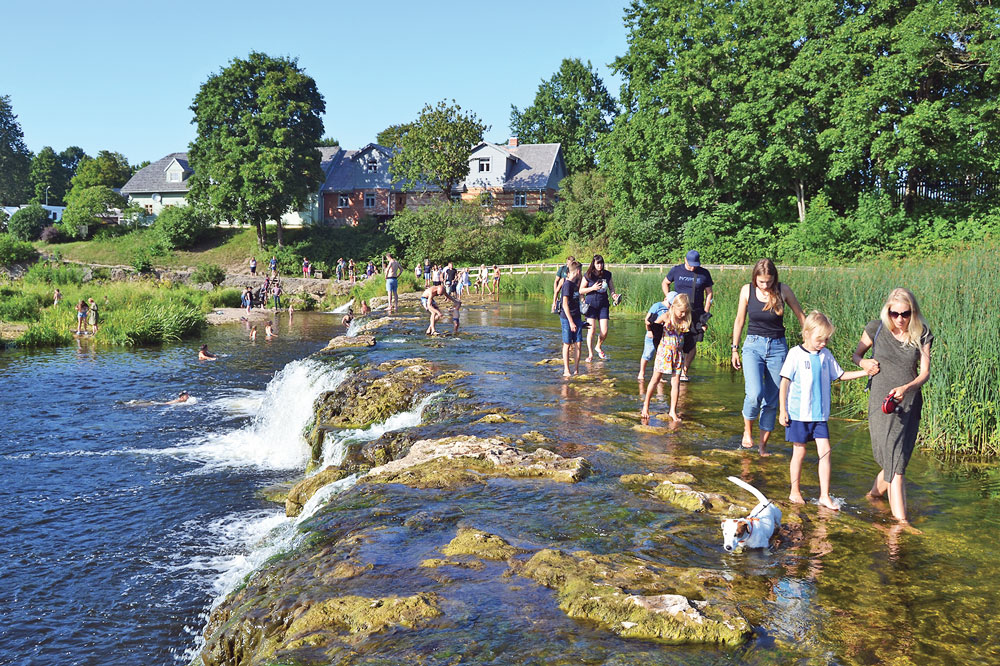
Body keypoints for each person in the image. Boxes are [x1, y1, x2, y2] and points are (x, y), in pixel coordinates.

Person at [851, 288, 933, 528]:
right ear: (887, 312)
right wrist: (864, 363)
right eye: (894, 313)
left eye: (905, 314)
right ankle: (902, 524)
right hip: (882, 402)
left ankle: (873, 495)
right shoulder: (875, 328)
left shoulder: (922, 334)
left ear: (913, 312)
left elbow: (925, 373)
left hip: (908, 402)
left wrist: (907, 388)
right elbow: (856, 355)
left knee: (898, 459)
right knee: (896, 466)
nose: (899, 319)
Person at [779, 311, 873, 509]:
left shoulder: (826, 355)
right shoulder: (795, 354)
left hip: (820, 415)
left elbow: (840, 375)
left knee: (825, 452)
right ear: (806, 334)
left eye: (826, 340)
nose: (823, 343)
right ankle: (794, 491)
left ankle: (824, 495)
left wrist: (865, 372)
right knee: (799, 452)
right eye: (819, 339)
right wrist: (783, 410)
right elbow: (785, 383)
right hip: (799, 414)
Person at [731, 259, 806, 455]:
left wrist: (809, 339)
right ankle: (747, 432)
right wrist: (734, 349)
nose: (765, 286)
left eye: (769, 281)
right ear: (755, 278)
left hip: (778, 348)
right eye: (761, 282)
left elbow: (800, 315)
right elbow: (739, 320)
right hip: (752, 346)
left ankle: (762, 447)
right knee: (754, 394)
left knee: (772, 400)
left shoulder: (783, 290)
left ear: (774, 278)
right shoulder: (747, 290)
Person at [641, 293, 692, 422]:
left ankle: (672, 411)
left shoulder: (685, 321)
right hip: (664, 352)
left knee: (676, 382)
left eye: (685, 312)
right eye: (681, 311)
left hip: (677, 354)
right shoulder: (666, 316)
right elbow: (651, 325)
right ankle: (646, 406)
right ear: (674, 307)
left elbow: (689, 336)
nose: (682, 314)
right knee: (655, 379)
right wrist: (650, 330)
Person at [663, 250, 713, 381]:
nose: (693, 268)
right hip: (678, 312)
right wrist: (669, 299)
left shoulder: (704, 273)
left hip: (696, 312)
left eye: (695, 265)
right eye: (691, 265)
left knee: (692, 342)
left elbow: (709, 293)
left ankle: (684, 371)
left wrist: (705, 312)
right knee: (674, 340)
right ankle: (670, 368)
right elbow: (665, 283)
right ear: (685, 260)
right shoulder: (676, 270)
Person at [579, 255, 619, 361]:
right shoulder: (588, 275)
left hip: (603, 305)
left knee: (604, 331)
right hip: (591, 305)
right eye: (597, 263)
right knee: (591, 330)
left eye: (601, 263)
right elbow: (581, 290)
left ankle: (598, 346)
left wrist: (614, 296)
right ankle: (590, 354)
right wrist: (592, 288)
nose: (600, 265)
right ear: (594, 264)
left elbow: (612, 289)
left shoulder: (607, 274)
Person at [639, 291, 677, 380]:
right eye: (669, 304)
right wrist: (649, 331)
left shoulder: (672, 309)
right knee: (647, 354)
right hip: (652, 333)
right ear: (665, 299)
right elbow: (647, 320)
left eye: (672, 305)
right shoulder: (657, 306)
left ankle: (659, 376)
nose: (670, 306)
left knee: (661, 357)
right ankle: (642, 372)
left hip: (664, 336)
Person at [559, 261, 584, 378]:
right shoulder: (567, 285)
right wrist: (571, 322)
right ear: (578, 271)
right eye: (581, 271)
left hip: (577, 317)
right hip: (567, 318)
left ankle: (576, 370)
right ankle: (566, 370)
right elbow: (565, 305)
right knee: (567, 343)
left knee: (578, 343)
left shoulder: (575, 284)